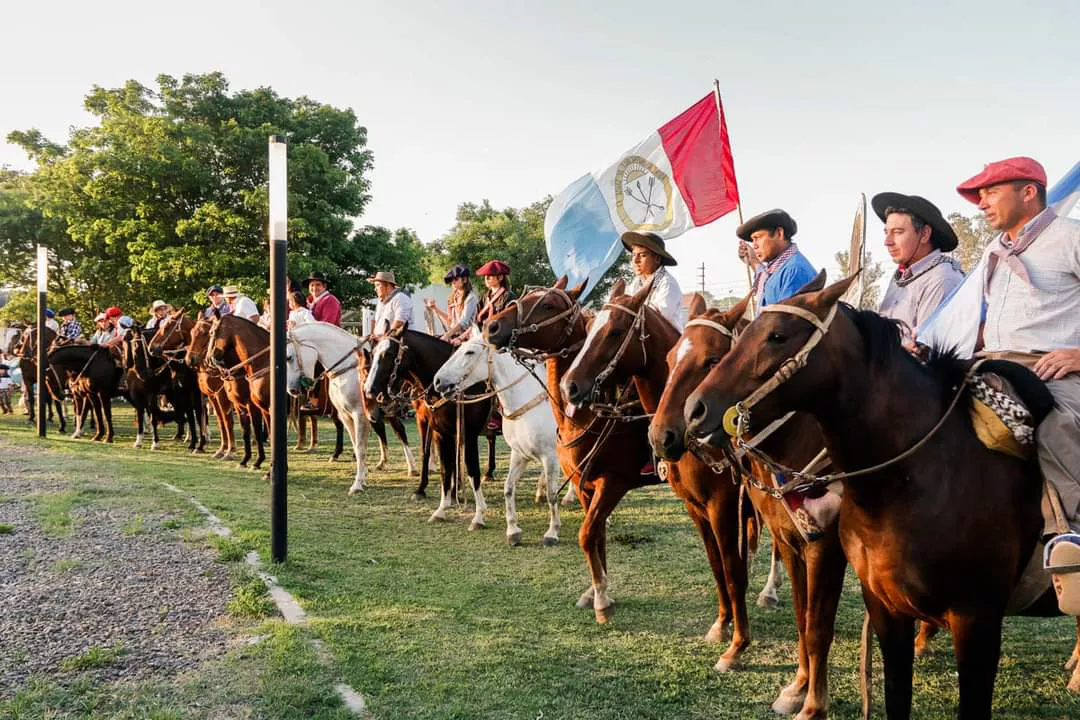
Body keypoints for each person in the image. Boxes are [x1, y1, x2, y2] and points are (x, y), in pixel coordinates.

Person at [953, 157, 1080, 611]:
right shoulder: (993, 251)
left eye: (990, 191)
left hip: (1058, 369)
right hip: (994, 364)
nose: (981, 202)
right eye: (979, 195)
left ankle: (1070, 535)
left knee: (1049, 421)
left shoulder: (1071, 238)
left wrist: (1077, 355)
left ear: (1029, 192)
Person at [874, 193, 965, 341]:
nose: (888, 241)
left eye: (898, 232)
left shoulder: (942, 278)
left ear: (924, 234)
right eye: (887, 233)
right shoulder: (901, 276)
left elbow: (925, 350)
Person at [736, 209, 818, 308]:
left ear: (779, 233)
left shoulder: (795, 270)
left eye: (758, 237)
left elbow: (786, 320)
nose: (754, 245)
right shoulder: (778, 269)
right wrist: (753, 261)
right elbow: (765, 277)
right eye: (752, 240)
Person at [618, 232, 684, 330]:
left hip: (667, 341)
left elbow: (660, 318)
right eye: (633, 255)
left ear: (657, 259)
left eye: (642, 255)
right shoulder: (636, 283)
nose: (636, 260)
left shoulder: (668, 283)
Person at [425, 264, 478, 345]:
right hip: (454, 336)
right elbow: (450, 321)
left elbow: (463, 323)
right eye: (452, 279)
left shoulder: (471, 298)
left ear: (464, 280)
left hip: (468, 337)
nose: (453, 282)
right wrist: (435, 308)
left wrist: (446, 336)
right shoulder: (453, 297)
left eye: (456, 279)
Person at [474, 260, 516, 329]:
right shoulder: (484, 297)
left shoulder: (508, 296)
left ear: (500, 277)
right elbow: (476, 320)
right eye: (485, 275)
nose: (486, 278)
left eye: (490, 275)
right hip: (482, 333)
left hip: (499, 336)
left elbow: (509, 323)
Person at [370, 271, 413, 336]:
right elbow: (374, 321)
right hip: (382, 341)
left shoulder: (400, 298)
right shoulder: (380, 301)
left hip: (398, 342)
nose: (375, 289)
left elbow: (399, 323)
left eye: (378, 285)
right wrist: (372, 335)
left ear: (387, 284)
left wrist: (383, 338)